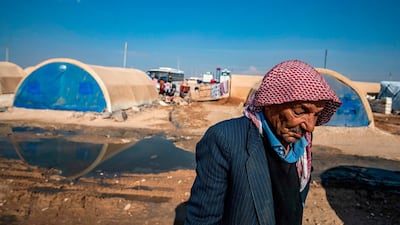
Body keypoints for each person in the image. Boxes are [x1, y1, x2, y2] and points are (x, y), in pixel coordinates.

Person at [184, 60, 342, 225]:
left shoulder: (303, 143)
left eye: (316, 115)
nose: (310, 126)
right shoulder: (225, 139)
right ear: (269, 104)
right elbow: (203, 219)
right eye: (299, 111)